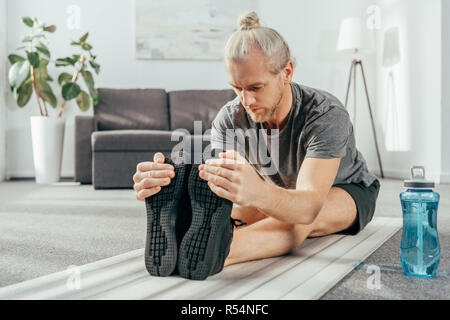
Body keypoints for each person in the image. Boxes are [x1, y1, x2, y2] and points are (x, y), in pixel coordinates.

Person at [133, 11, 380, 268]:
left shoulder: (325, 114)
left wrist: (259, 192)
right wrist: (163, 183)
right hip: (278, 190)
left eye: (255, 88)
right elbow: (224, 188)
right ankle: (187, 239)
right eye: (237, 88)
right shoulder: (229, 118)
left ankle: (219, 252)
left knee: (298, 221)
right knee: (236, 213)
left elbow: (308, 206)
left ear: (287, 72)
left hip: (345, 190)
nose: (246, 100)